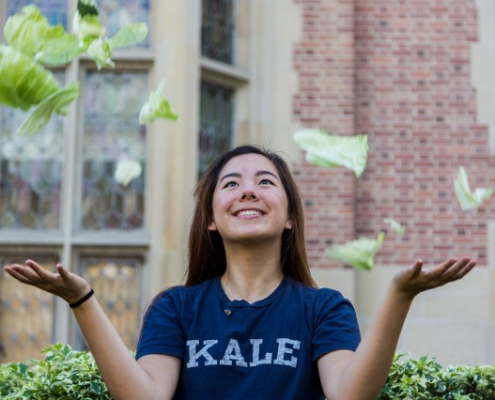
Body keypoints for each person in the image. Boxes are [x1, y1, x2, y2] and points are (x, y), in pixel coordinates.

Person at [3, 144, 476, 400]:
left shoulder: (324, 309)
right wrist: (83, 300)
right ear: (212, 218)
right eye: (232, 184)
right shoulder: (177, 308)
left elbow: (349, 395)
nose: (248, 191)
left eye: (265, 182)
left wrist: (399, 296)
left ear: (289, 216)